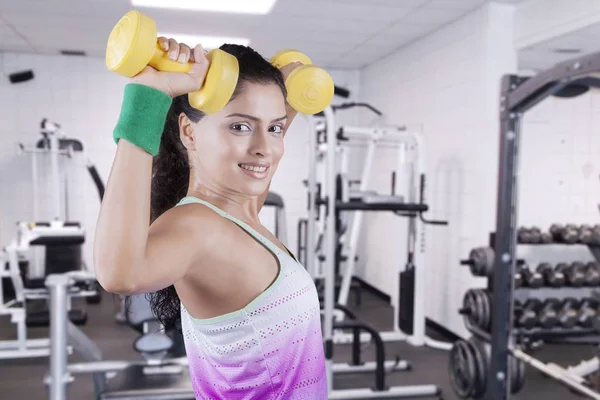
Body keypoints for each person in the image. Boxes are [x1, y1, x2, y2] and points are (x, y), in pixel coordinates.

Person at [94, 39, 327, 399]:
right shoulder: (197, 227)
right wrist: (148, 96)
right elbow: (118, 274)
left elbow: (260, 154)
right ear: (189, 132)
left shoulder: (239, 211)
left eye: (275, 128)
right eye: (239, 127)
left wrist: (287, 99)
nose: (265, 146)